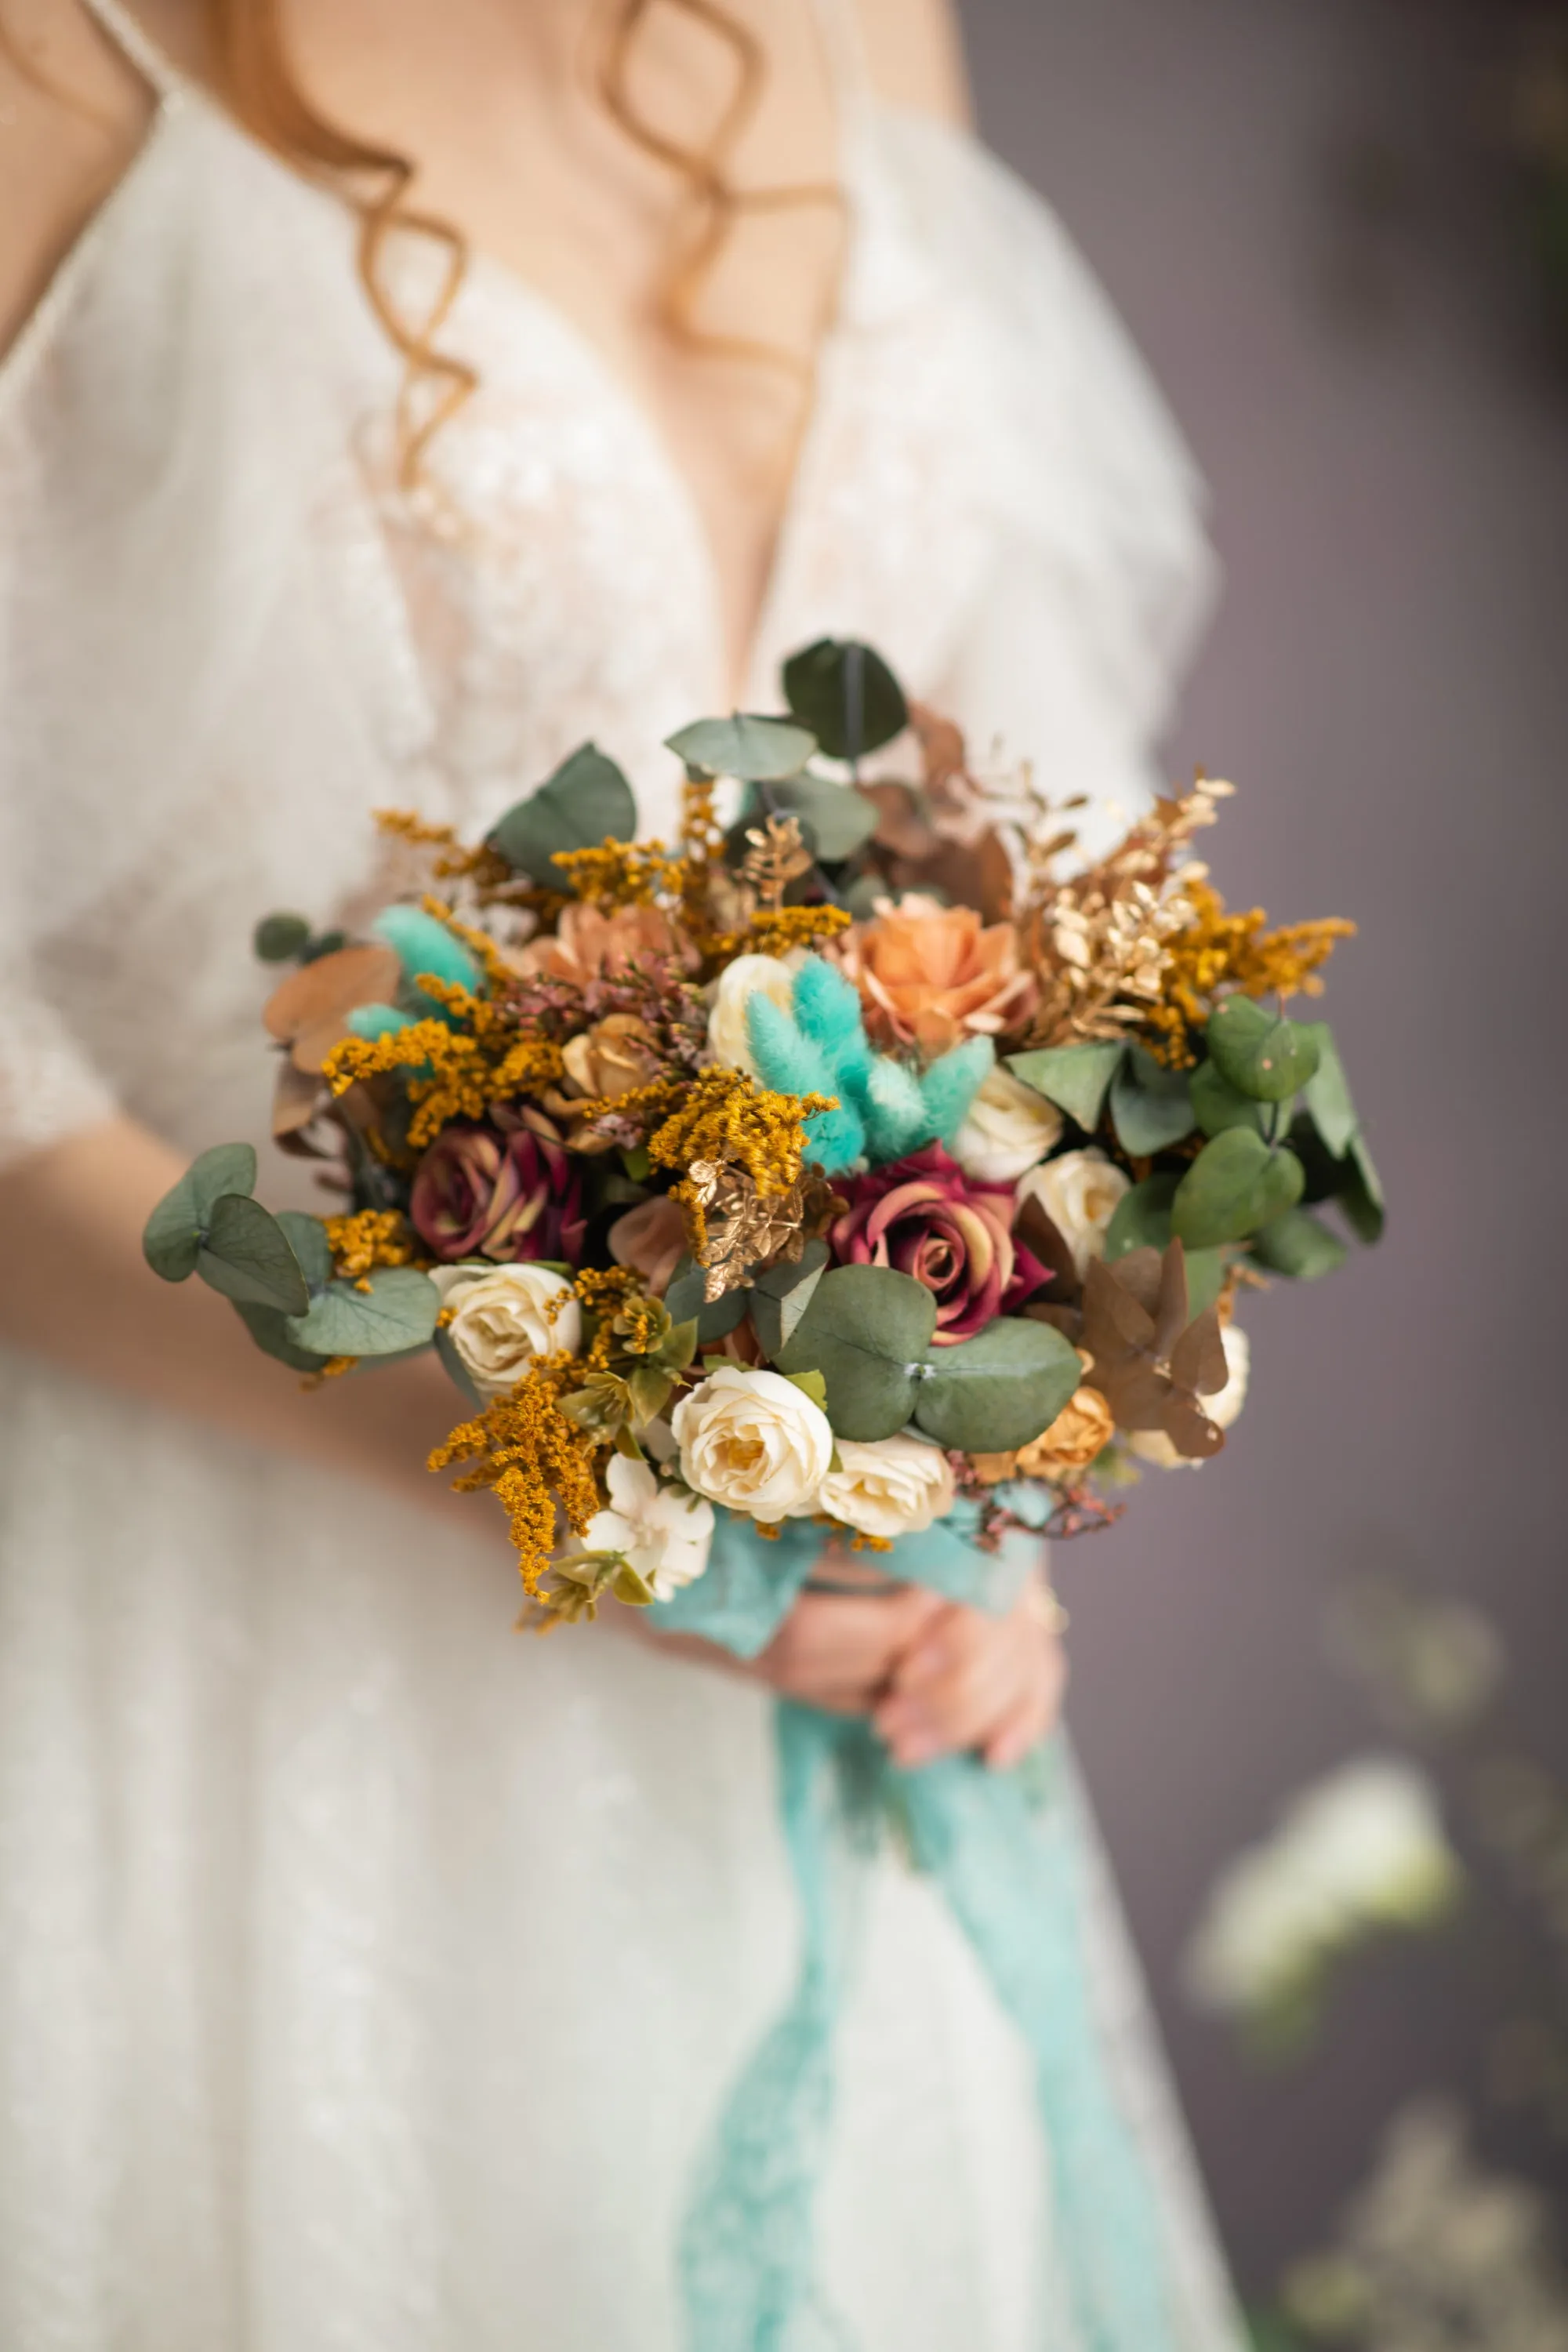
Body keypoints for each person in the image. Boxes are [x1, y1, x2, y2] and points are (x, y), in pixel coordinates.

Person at [0, 2, 1243, 2343]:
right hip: (242, 1619)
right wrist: (494, 1445)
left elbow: (998, 830)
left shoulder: (870, 21)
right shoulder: (58, 67)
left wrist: (994, 1415)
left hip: (841, 1650)